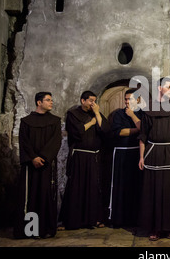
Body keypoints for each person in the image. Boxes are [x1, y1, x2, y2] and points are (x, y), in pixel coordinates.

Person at [138, 77, 170, 241]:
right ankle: (155, 228)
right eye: (168, 87)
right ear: (159, 88)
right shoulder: (148, 109)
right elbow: (143, 136)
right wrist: (141, 157)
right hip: (152, 153)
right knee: (153, 192)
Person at [59, 91, 110, 230]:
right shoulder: (73, 114)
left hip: (93, 157)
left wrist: (98, 115)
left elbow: (106, 131)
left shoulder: (95, 114)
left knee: (93, 188)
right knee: (76, 187)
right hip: (79, 156)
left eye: (94, 101)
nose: (93, 104)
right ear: (83, 100)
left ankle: (93, 219)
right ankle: (71, 221)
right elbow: (76, 132)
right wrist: (91, 122)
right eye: (90, 101)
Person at [14, 92, 62, 239]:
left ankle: (45, 229)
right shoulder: (26, 121)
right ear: (39, 103)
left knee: (46, 195)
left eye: (51, 100)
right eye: (48, 100)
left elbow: (56, 141)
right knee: (30, 197)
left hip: (46, 165)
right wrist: (33, 157)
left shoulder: (55, 121)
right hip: (31, 166)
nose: (51, 102)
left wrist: (44, 157)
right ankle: (30, 230)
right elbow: (24, 142)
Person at [108, 89, 143, 229]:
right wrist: (138, 130)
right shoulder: (118, 114)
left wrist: (133, 117)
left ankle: (135, 218)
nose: (127, 102)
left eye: (130, 99)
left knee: (136, 186)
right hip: (121, 154)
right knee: (120, 186)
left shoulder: (142, 114)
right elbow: (120, 132)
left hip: (137, 153)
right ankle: (119, 219)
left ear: (138, 100)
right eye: (126, 99)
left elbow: (144, 128)